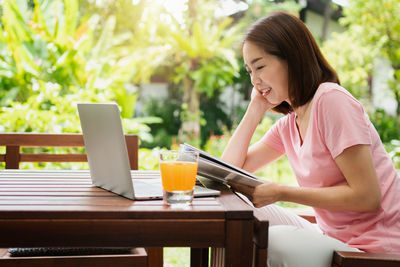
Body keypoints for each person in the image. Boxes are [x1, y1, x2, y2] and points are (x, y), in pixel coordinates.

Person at [221, 11, 400, 267]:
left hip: (372, 248)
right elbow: (228, 172)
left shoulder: (331, 100)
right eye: (249, 70)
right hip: (332, 238)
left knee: (277, 240)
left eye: (260, 66)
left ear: (292, 59)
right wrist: (255, 110)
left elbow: (368, 196)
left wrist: (282, 192)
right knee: (238, 215)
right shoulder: (290, 124)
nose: (254, 79)